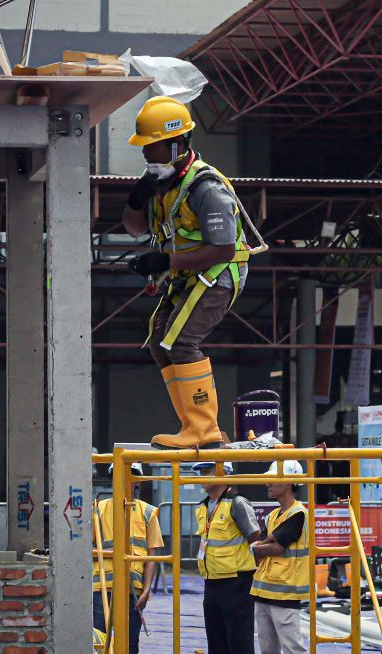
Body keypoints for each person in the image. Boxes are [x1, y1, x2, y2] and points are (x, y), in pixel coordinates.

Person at [122, 95, 252, 449]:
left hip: (219, 273)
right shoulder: (162, 184)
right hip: (189, 274)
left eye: (152, 147)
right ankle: (190, 427)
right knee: (160, 342)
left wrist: (165, 263)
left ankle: (204, 430)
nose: (146, 154)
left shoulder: (206, 188)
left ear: (176, 145)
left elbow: (222, 249)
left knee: (181, 342)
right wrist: (138, 196)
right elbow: (135, 228)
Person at [92, 465, 164, 654]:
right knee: (99, 645)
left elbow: (152, 555)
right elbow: (86, 546)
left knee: (130, 646)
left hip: (134, 591)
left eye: (130, 475)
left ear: (138, 480)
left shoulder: (148, 512)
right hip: (103, 589)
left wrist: (147, 589)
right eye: (119, 476)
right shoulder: (99, 508)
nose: (124, 480)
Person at [194, 461, 261, 654]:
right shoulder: (203, 507)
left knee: (239, 643)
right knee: (217, 643)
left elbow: (255, 537)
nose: (203, 474)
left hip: (237, 582)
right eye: (201, 471)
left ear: (226, 472)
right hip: (211, 582)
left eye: (208, 470)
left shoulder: (237, 503)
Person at [250, 460, 310, 654]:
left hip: (285, 593)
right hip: (263, 591)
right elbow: (268, 543)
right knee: (268, 651)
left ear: (289, 482)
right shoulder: (273, 515)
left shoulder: (298, 514)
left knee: (294, 651)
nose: (268, 483)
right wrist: (260, 546)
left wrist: (257, 548)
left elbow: (277, 548)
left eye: (273, 478)